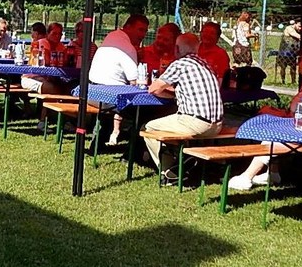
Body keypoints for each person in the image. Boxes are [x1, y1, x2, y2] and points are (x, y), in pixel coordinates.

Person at [228, 45, 302, 190]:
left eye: (300, 59)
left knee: (271, 135)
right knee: (267, 120)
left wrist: (281, 115)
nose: (297, 63)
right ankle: (273, 173)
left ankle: (246, 177)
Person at [145, 33, 224, 184]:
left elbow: (153, 89)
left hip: (196, 123)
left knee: (149, 128)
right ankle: (183, 159)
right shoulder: (204, 64)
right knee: (173, 126)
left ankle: (168, 171)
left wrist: (162, 86)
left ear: (176, 48)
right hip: (217, 125)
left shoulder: (180, 64)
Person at [88, 15, 150, 145]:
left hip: (92, 91)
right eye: (140, 30)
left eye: (145, 31)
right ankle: (134, 150)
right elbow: (135, 81)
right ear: (128, 27)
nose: (143, 35)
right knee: (145, 111)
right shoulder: (127, 48)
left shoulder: (112, 36)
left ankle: (98, 143)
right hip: (108, 97)